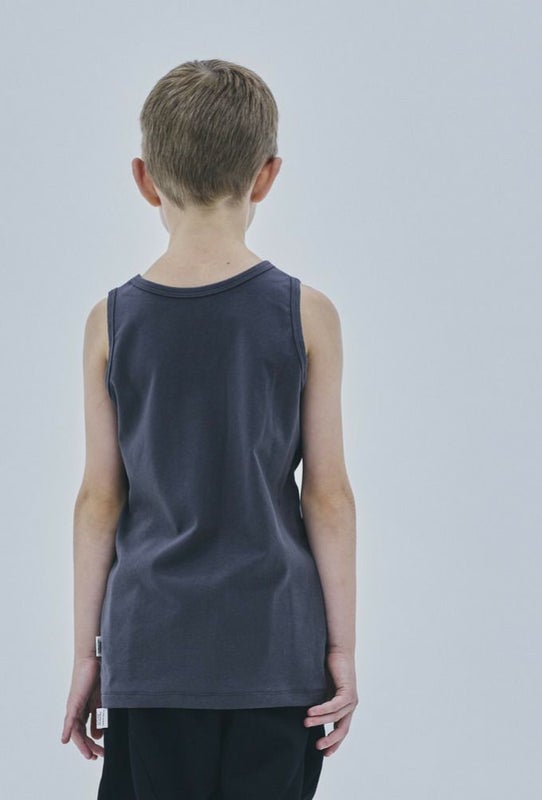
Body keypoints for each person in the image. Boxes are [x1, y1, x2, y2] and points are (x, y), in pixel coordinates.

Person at [61, 58, 358, 799]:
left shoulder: (110, 323)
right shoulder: (306, 315)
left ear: (144, 178)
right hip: (275, 653)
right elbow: (327, 495)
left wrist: (88, 655)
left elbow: (100, 499)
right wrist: (341, 649)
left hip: (150, 652)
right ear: (266, 176)